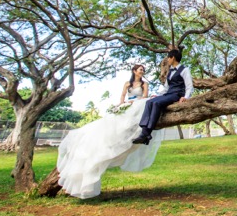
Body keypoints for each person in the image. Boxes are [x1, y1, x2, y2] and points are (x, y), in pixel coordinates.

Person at [56, 63, 166, 199]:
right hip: (127, 105)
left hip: (137, 104)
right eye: (140, 70)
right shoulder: (127, 84)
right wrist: (121, 105)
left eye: (143, 70)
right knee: (111, 124)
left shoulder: (144, 85)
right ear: (134, 71)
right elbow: (122, 96)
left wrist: (133, 102)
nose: (142, 72)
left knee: (134, 116)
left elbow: (144, 97)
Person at [132, 48, 193, 145]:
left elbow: (189, 86)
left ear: (172, 58)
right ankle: (144, 132)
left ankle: (146, 134)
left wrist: (186, 96)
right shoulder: (170, 72)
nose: (167, 60)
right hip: (168, 94)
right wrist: (158, 95)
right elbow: (166, 88)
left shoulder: (185, 70)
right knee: (149, 102)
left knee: (156, 103)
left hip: (177, 94)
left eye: (168, 58)